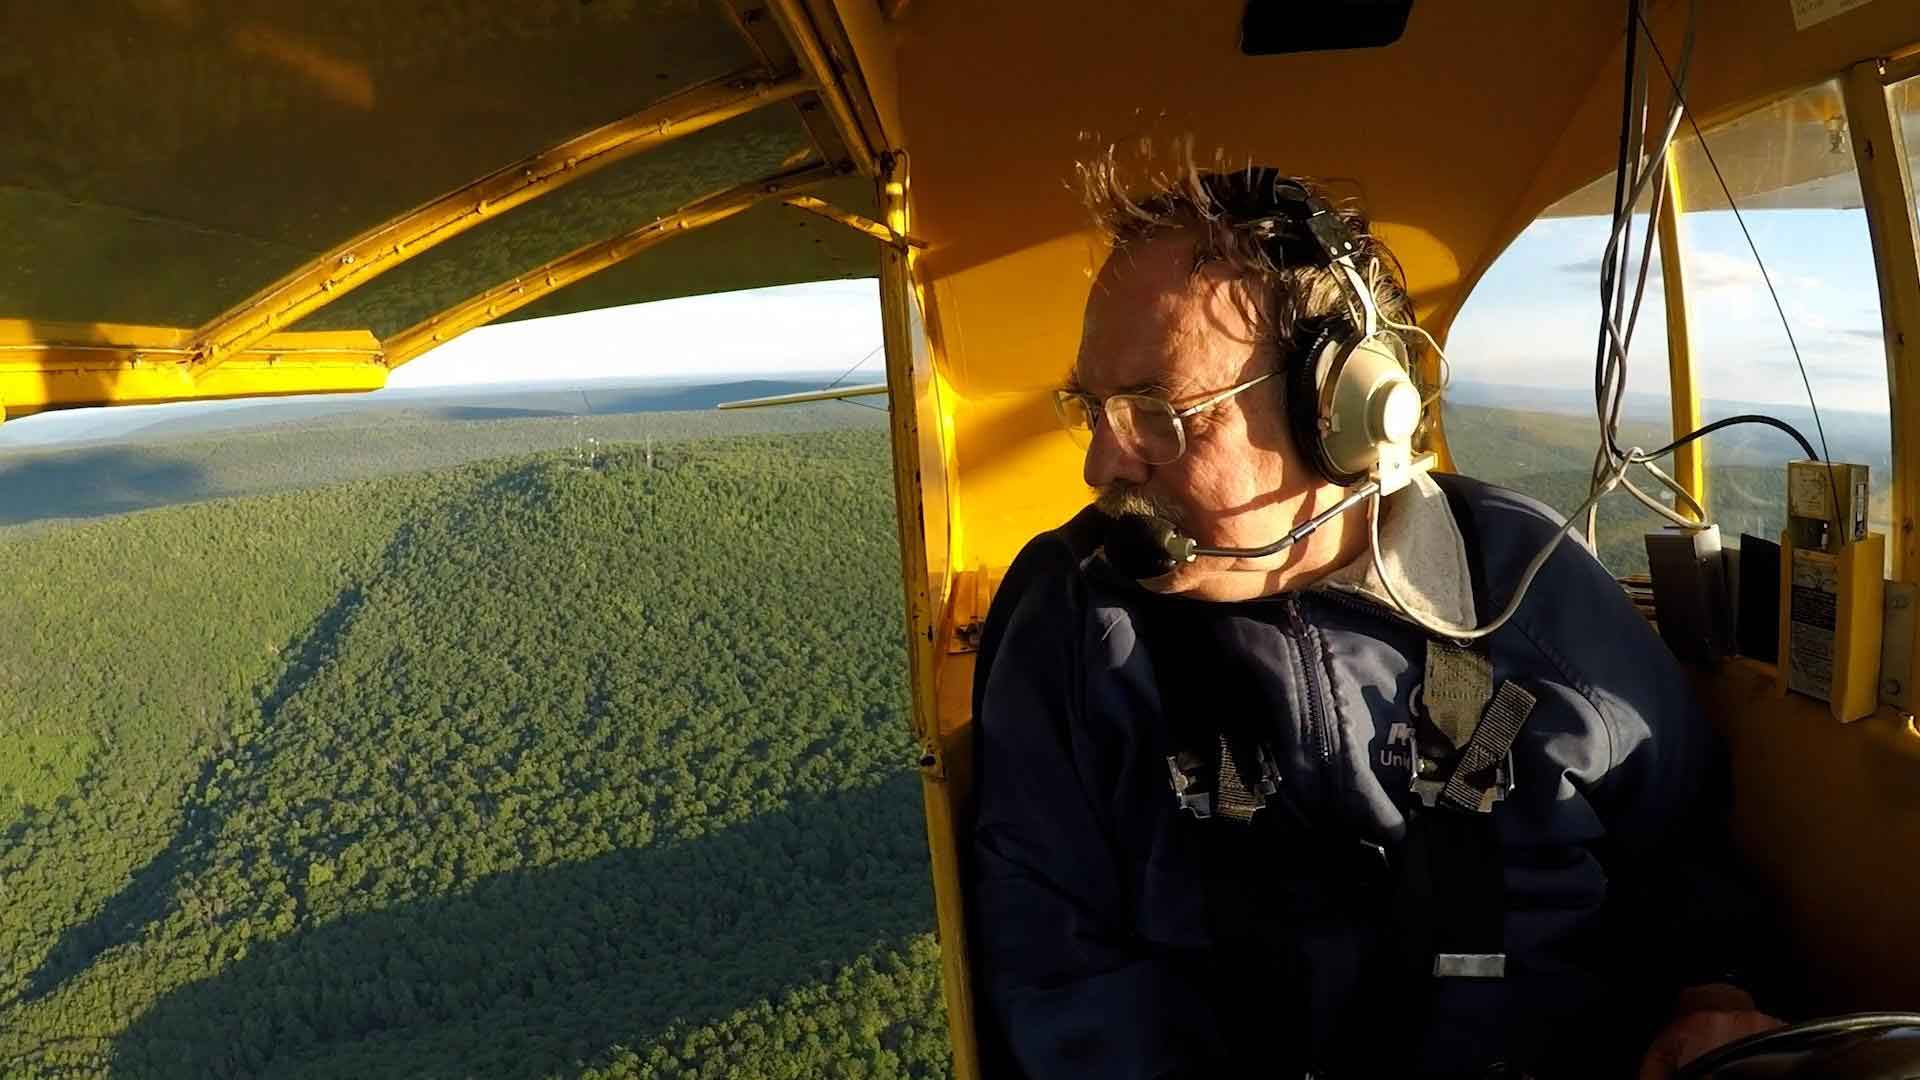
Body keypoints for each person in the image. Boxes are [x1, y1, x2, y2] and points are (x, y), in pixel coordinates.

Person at [967, 165, 1779, 1080]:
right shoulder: (1077, 616)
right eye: (1094, 410)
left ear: (1341, 414)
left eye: (1158, 415)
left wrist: (1711, 996)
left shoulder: (1526, 577)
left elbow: (1679, 845)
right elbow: (1060, 973)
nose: (1101, 465)